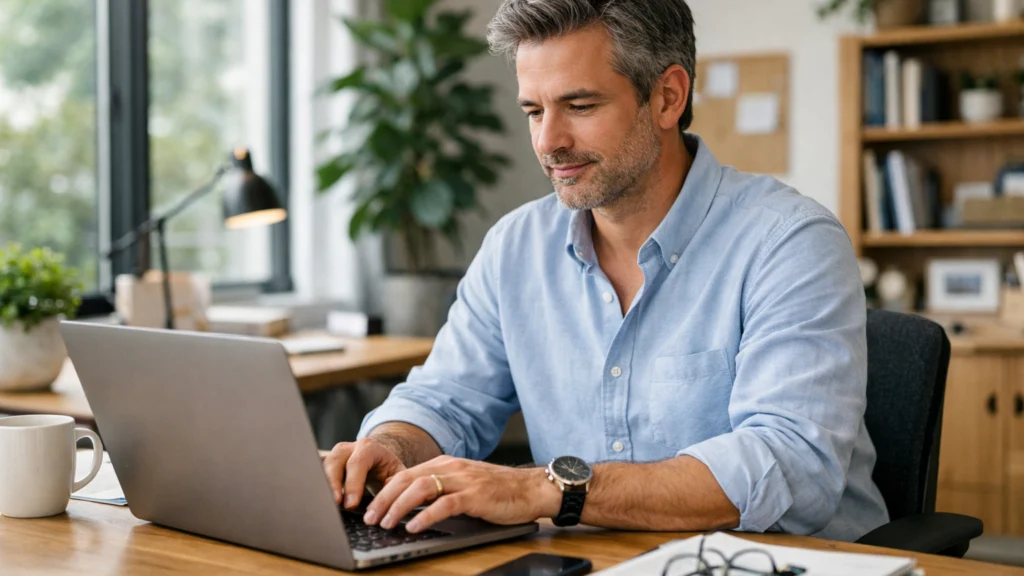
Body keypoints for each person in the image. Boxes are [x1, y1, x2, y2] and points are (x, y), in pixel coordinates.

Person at [322, 0, 889, 541]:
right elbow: (445, 398)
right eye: (534, 111)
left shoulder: (789, 242)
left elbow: (789, 461)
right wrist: (391, 446)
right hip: (593, 559)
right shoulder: (515, 247)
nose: (549, 142)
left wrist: (543, 489)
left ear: (667, 97)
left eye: (580, 106)